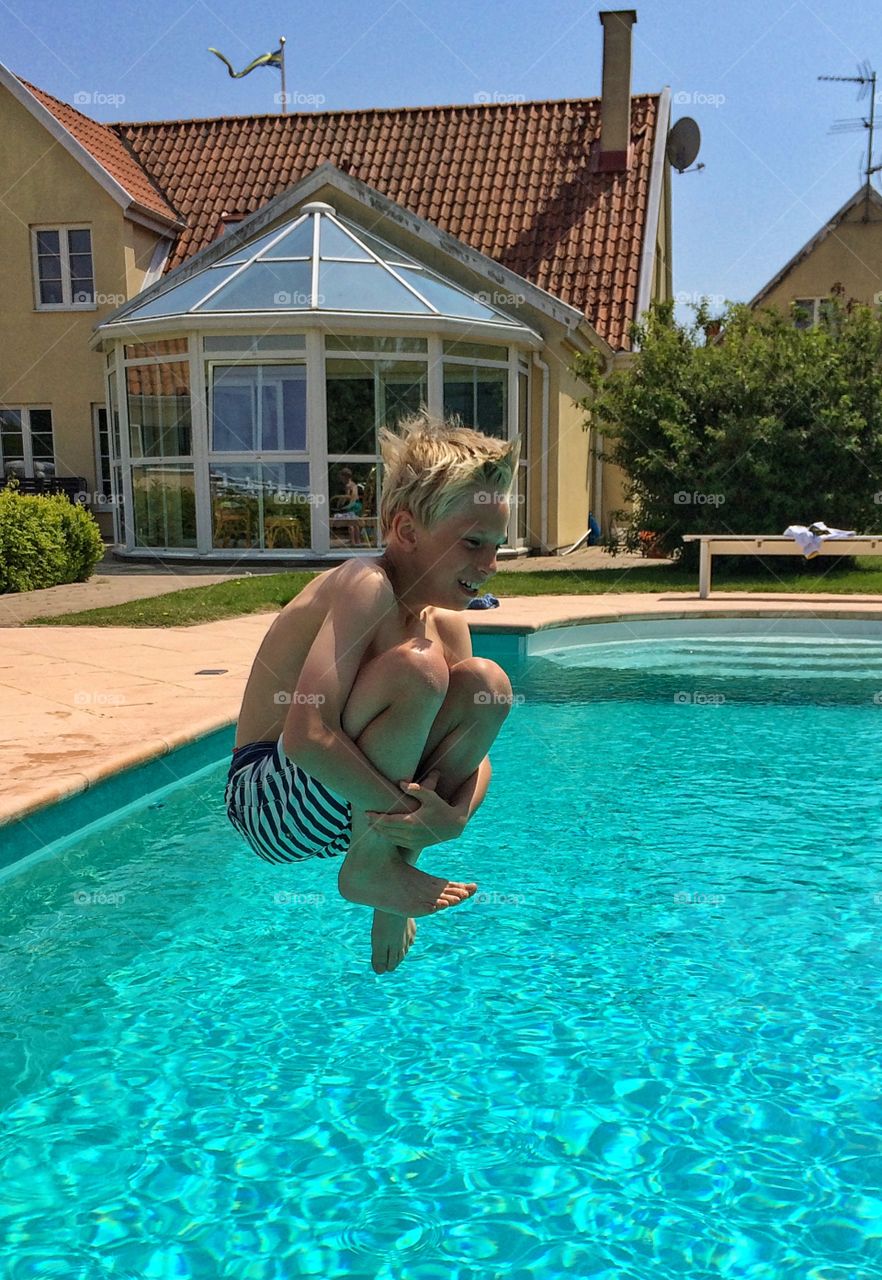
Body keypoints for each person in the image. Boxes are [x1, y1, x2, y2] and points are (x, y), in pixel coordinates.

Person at [225, 410, 518, 975]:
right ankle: (374, 872)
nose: (490, 565)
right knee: (418, 669)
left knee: (488, 683)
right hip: (270, 801)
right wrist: (407, 811)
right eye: (473, 543)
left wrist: (453, 818)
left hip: (354, 804)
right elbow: (307, 735)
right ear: (407, 532)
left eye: (497, 546)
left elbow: (474, 758)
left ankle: (384, 877)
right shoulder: (364, 584)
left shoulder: (446, 620)